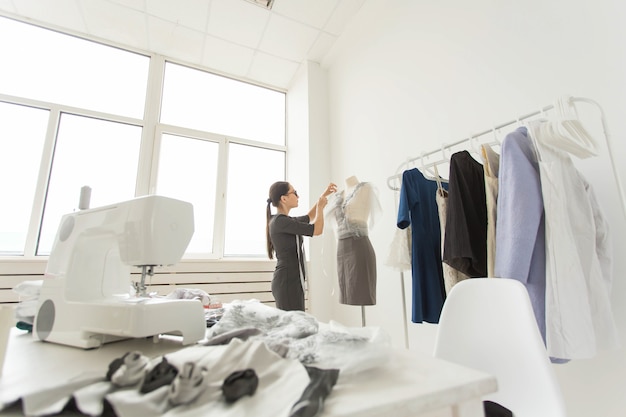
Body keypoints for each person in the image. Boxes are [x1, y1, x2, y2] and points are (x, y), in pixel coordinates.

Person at [266, 181, 337, 311]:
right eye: (295, 193)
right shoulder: (280, 222)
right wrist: (320, 207)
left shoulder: (285, 220)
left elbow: (310, 217)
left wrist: (323, 195)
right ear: (284, 198)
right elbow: (317, 230)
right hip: (287, 283)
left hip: (293, 281)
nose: (298, 196)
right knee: (293, 325)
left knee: (297, 323)